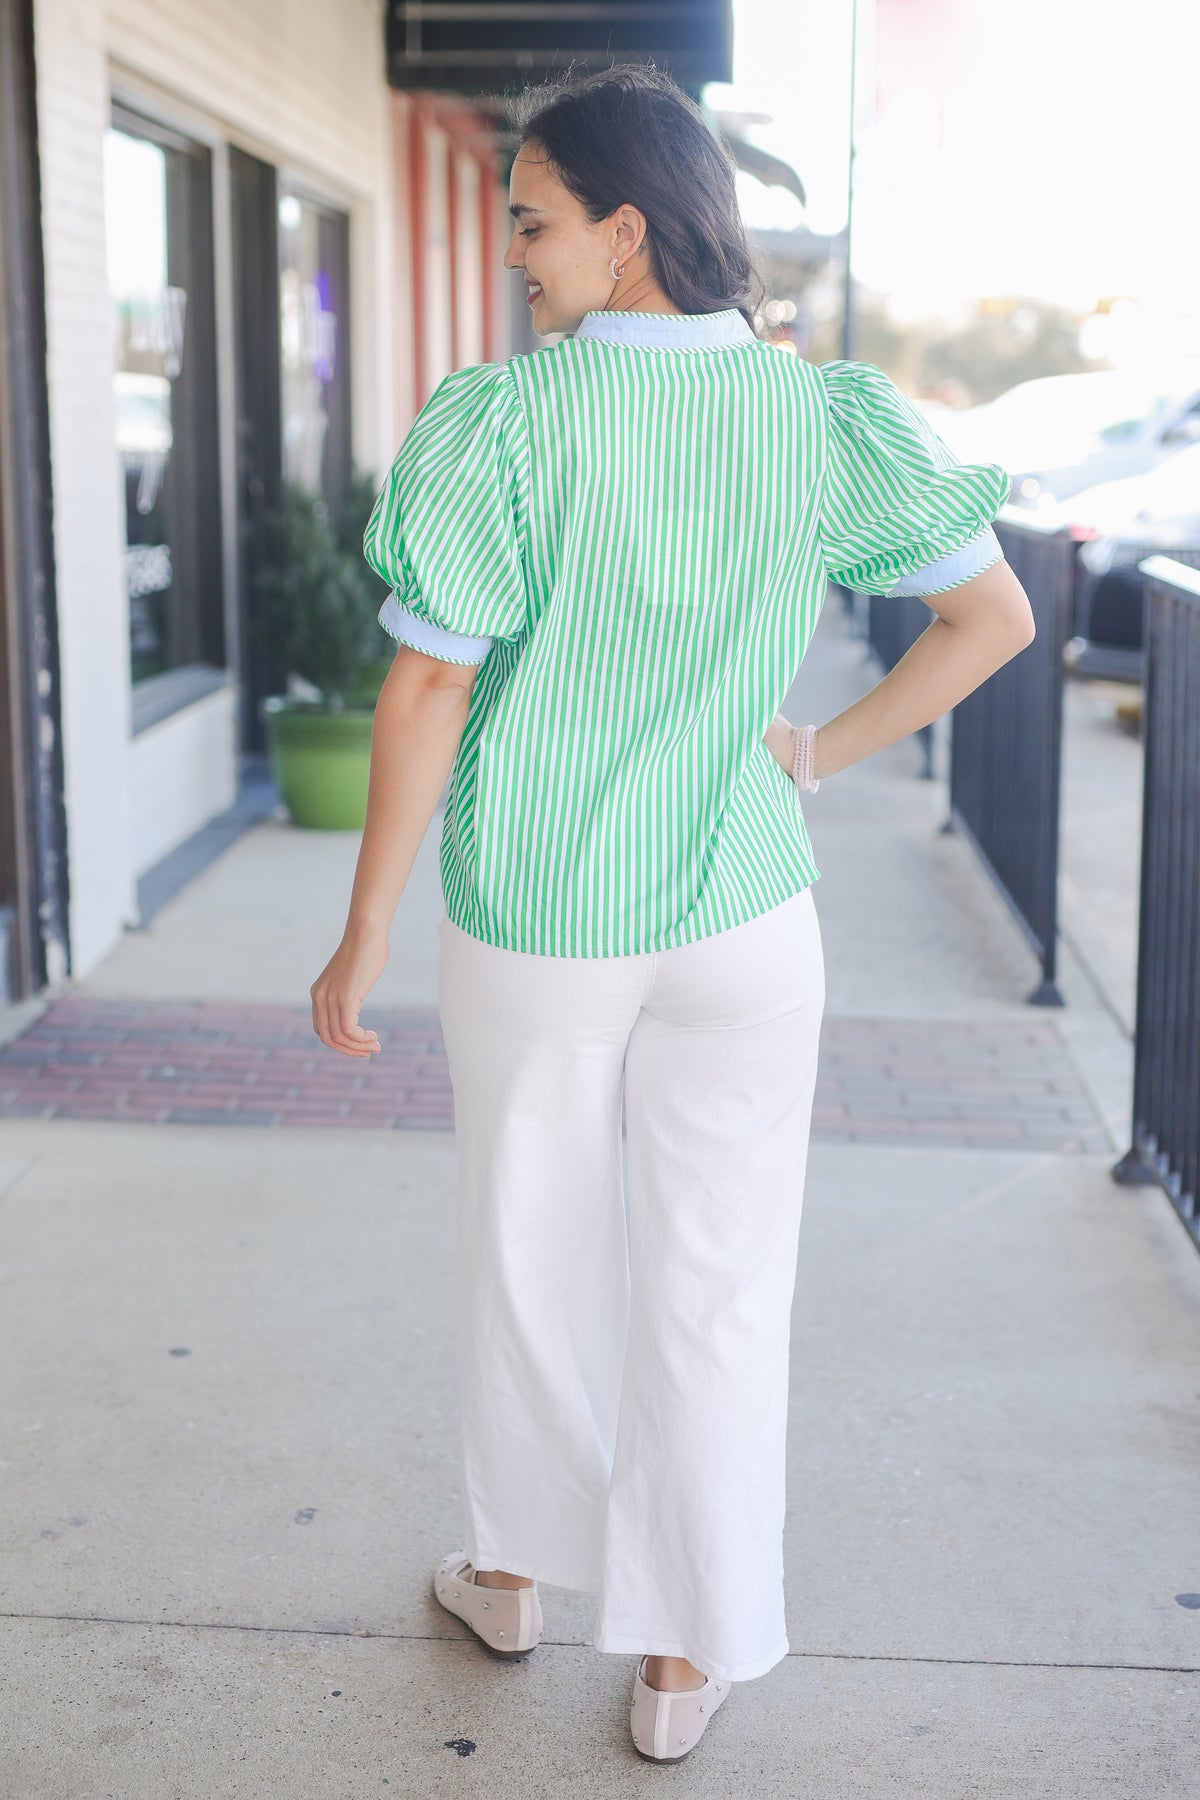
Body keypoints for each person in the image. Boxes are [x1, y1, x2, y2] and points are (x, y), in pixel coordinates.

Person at [310, 64, 1034, 1766]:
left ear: (629, 232)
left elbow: (426, 694)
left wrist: (361, 929)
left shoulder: (507, 421)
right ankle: (686, 1658)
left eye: (536, 220)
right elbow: (989, 615)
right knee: (719, 1282)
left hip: (547, 908)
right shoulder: (820, 419)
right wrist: (814, 752)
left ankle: (510, 1574)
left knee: (527, 1249)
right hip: (741, 913)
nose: (516, 254)